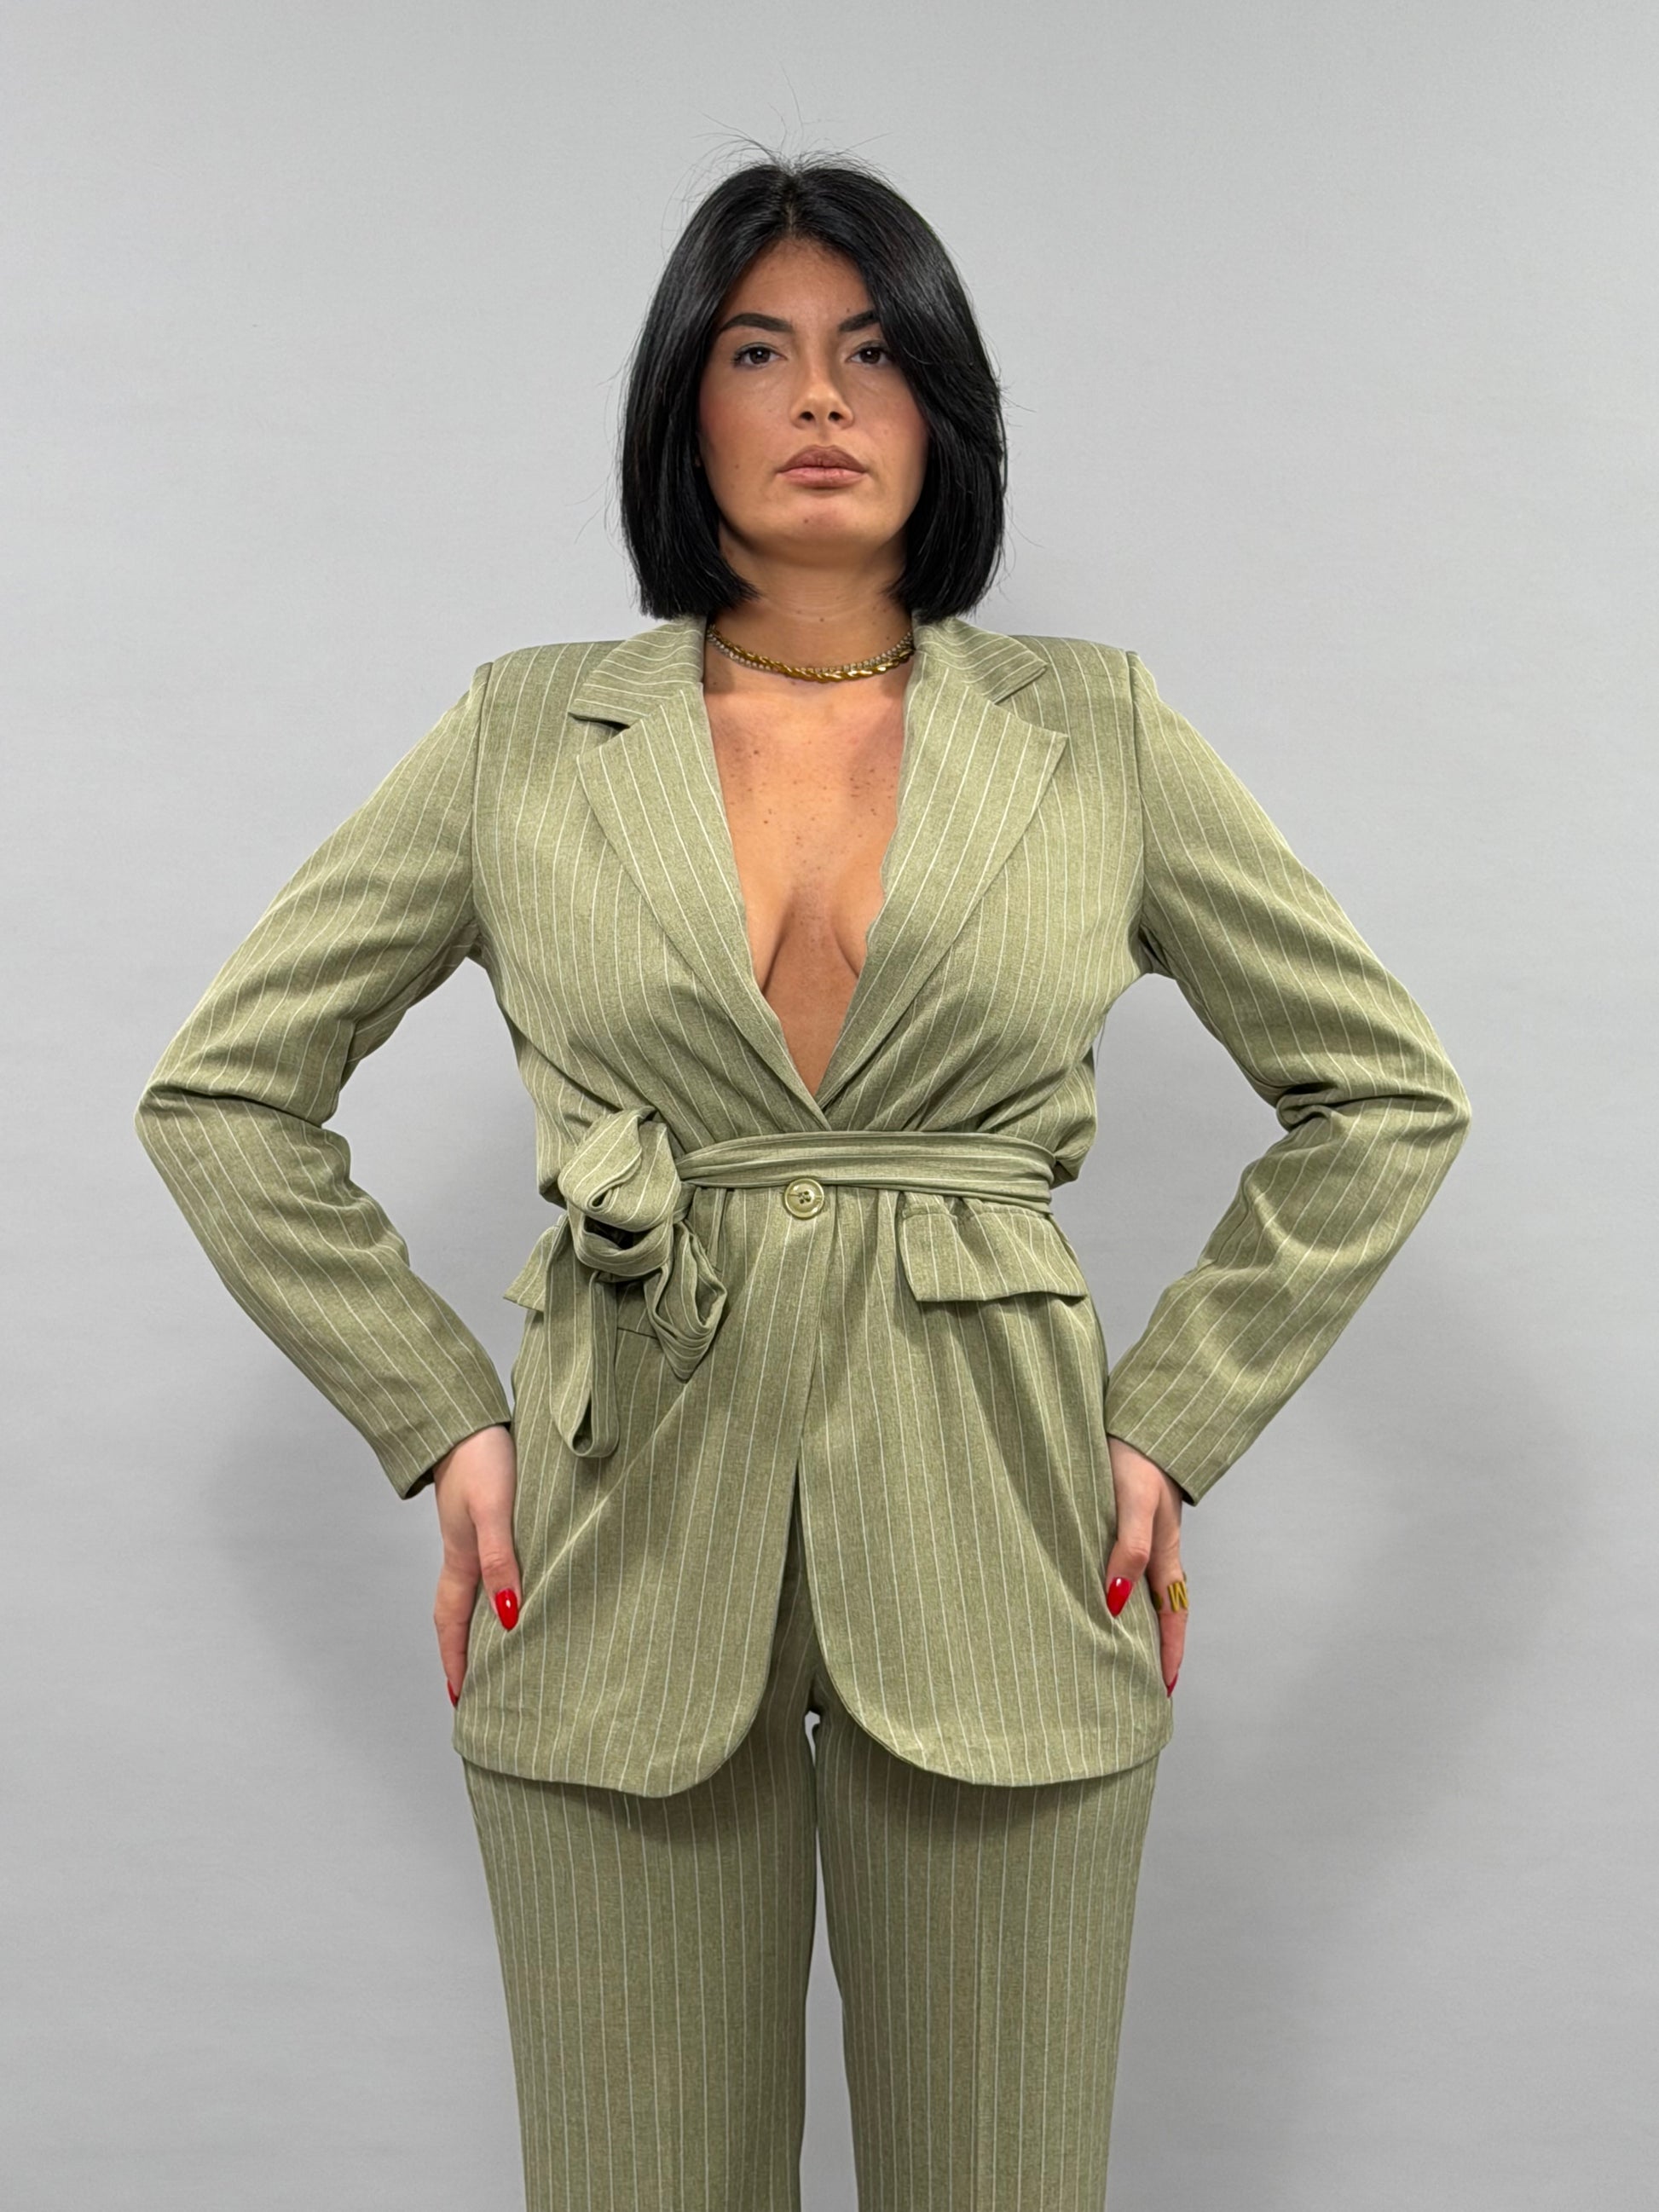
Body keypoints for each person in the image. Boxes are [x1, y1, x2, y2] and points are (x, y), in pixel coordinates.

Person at [134, 151, 1472, 2212]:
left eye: (872, 351)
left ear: (944, 406)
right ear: (687, 404)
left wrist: (1170, 1424)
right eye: (759, 352)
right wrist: (441, 1418)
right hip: (614, 1536)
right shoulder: (523, 735)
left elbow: (1380, 1090)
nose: (823, 396)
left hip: (1006, 1531)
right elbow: (224, 1090)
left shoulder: (1094, 731)